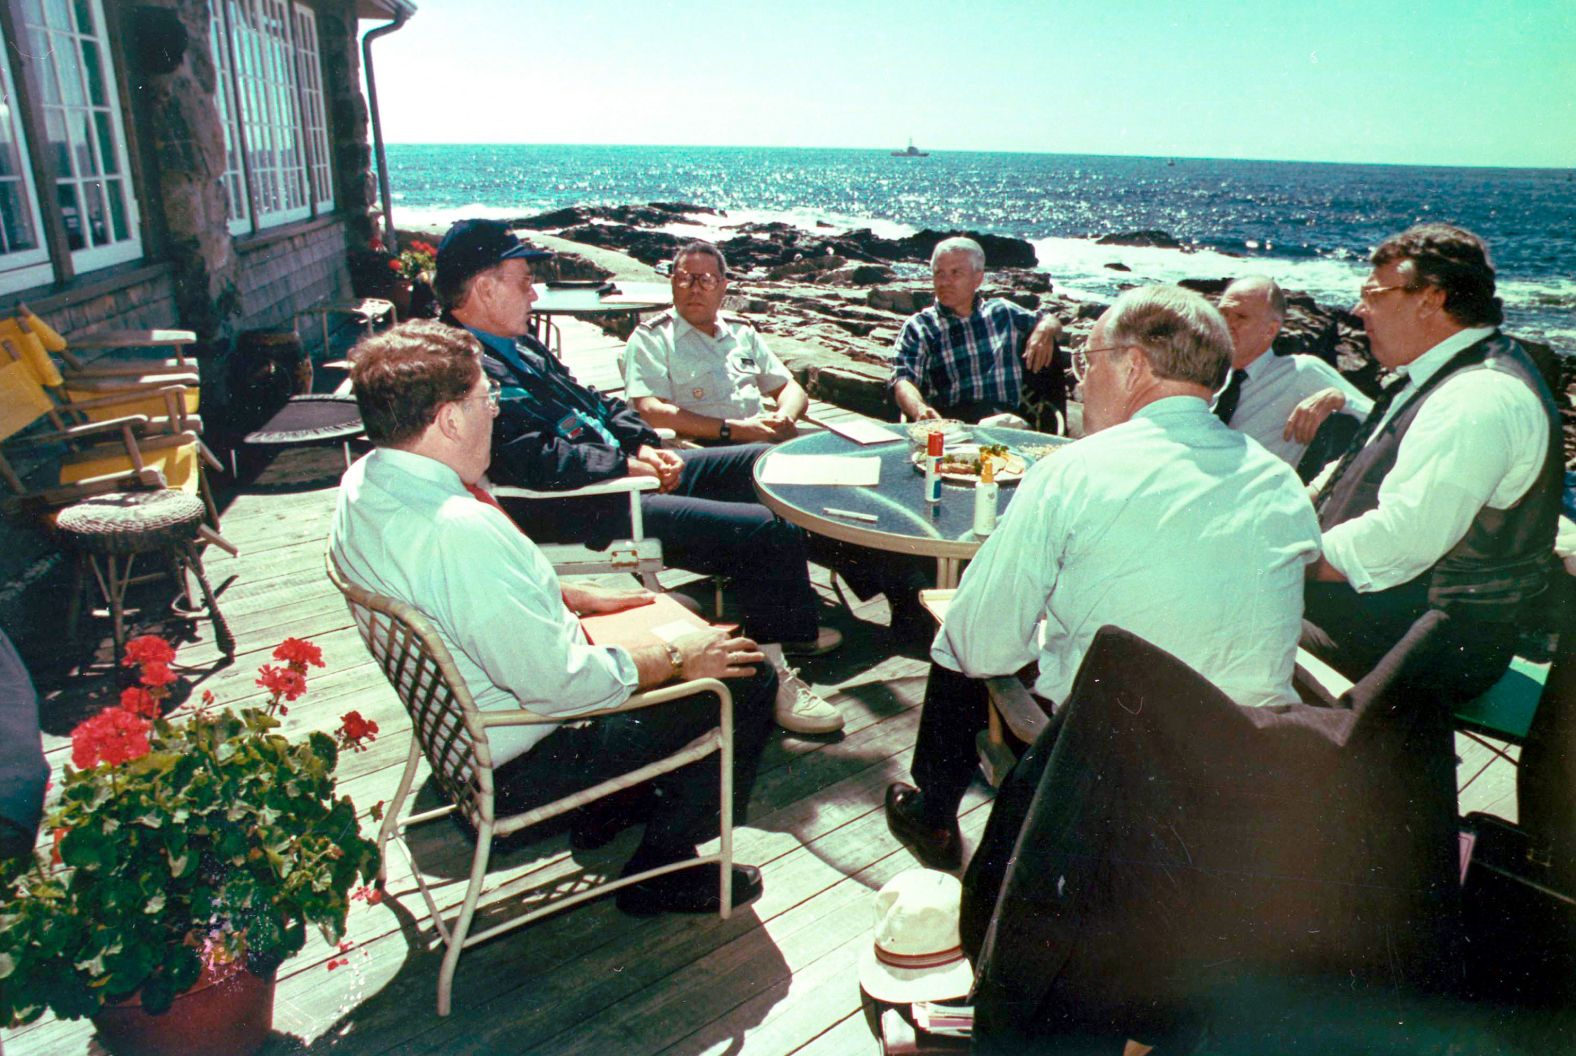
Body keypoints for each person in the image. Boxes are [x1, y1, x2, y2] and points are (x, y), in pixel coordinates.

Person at [330, 320, 776, 915]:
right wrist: (677, 659)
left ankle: (612, 808)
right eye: (486, 398)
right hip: (528, 759)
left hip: (468, 734)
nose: (495, 411)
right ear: (449, 420)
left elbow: (451, 592)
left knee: (685, 610)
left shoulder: (368, 482)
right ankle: (661, 868)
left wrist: (563, 593)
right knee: (745, 672)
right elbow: (561, 685)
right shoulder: (457, 529)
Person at [885, 285, 1322, 869]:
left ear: (1134, 366)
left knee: (959, 632)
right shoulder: (1278, 482)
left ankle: (934, 819)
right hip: (1243, 759)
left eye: (1085, 363)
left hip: (1110, 774)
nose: (1078, 382)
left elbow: (979, 644)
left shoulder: (1074, 472)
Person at [431, 218, 844, 735]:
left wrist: (643, 444)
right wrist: (624, 465)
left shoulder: (518, 344)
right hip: (581, 503)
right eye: (523, 282)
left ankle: (783, 620)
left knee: (760, 462)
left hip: (619, 475)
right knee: (765, 530)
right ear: (485, 289)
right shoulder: (462, 364)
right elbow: (526, 458)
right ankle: (775, 671)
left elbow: (596, 402)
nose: (534, 293)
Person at [1303, 223, 1562, 699]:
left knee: (1209, 629)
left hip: (1428, 643)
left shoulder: (1477, 396)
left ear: (1430, 299)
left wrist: (1286, 559)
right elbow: (1353, 467)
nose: (1360, 310)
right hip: (1387, 619)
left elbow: (1403, 540)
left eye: (1373, 294)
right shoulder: (1435, 374)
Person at [623, 241, 809, 444]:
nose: (695, 290)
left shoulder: (741, 332)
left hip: (762, 440)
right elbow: (651, 411)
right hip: (703, 449)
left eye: (707, 281)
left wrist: (784, 417)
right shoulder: (652, 338)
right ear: (673, 284)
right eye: (685, 280)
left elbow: (790, 389)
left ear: (723, 287)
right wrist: (733, 430)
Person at [889, 237, 1065, 425]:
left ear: (978, 278)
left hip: (1007, 425)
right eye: (939, 273)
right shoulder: (920, 326)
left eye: (955, 273)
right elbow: (903, 379)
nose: (945, 282)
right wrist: (920, 409)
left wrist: (1045, 328)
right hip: (954, 427)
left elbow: (1052, 321)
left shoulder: (1003, 313)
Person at [1213, 275, 1373, 473]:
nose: (1226, 324)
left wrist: (1338, 398)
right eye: (1222, 313)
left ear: (1270, 330)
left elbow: (1386, 420)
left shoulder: (1300, 371)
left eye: (1240, 317)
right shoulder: (1205, 373)